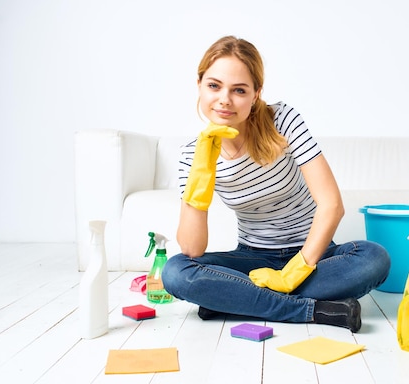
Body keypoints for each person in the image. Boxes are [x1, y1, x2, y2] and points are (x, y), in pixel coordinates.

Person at [162, 36, 390, 332]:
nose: (225, 99)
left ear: (256, 93)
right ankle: (312, 311)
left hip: (315, 256)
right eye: (214, 86)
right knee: (177, 272)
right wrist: (202, 165)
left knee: (374, 258)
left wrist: (295, 271)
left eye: (239, 90)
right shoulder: (193, 154)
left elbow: (332, 206)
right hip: (252, 259)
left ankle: (235, 299)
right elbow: (193, 248)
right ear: (200, 85)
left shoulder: (283, 120)